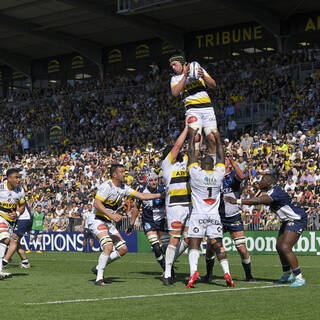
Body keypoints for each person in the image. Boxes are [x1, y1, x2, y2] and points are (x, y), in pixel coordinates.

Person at [225, 174, 308, 287]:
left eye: (263, 179)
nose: (260, 181)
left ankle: (299, 277)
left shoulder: (275, 192)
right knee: (279, 247)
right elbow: (259, 196)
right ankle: (287, 274)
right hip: (287, 220)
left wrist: (237, 201)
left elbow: (258, 201)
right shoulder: (270, 191)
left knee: (285, 247)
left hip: (297, 218)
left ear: (269, 182)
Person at [89, 164, 164, 286]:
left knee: (123, 249)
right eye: (122, 172)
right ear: (114, 175)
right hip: (97, 219)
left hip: (107, 222)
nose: (125, 174)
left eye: (125, 171)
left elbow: (142, 196)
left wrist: (160, 195)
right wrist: (112, 216)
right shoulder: (107, 186)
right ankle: (99, 278)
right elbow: (96, 204)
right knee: (108, 246)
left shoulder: (123, 187)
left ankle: (98, 267)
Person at [186, 128, 234, 288]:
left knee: (194, 244)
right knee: (218, 244)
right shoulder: (219, 174)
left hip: (198, 215)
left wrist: (192, 137)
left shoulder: (195, 173)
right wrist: (218, 140)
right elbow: (221, 155)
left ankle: (193, 273)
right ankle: (227, 272)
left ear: (201, 164)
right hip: (214, 216)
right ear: (214, 165)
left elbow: (191, 153)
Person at [204, 152, 255, 282]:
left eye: (226, 159)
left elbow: (242, 176)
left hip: (233, 216)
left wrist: (233, 161)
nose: (224, 160)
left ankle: (249, 276)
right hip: (217, 217)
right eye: (223, 159)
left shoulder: (232, 175)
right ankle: (209, 274)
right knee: (211, 247)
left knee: (242, 249)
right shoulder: (214, 177)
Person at [161, 122, 191, 285]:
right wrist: (186, 128)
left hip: (189, 205)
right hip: (175, 206)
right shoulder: (167, 164)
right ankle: (167, 273)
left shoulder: (185, 161)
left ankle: (169, 263)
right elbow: (178, 145)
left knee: (188, 239)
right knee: (174, 239)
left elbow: (194, 151)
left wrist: (196, 134)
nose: (180, 151)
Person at [169, 55, 217, 156]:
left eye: (174, 64)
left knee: (212, 138)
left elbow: (213, 85)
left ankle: (215, 161)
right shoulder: (175, 78)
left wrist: (203, 76)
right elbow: (175, 93)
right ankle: (193, 165)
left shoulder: (197, 68)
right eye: (171, 66)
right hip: (192, 110)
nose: (173, 67)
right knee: (195, 138)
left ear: (182, 63)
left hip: (207, 108)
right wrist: (185, 76)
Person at [126, 172, 169, 272]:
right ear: (147, 181)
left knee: (167, 246)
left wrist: (168, 218)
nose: (153, 182)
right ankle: (166, 270)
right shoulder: (142, 191)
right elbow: (136, 208)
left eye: (155, 180)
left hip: (162, 221)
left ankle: (161, 258)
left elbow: (168, 205)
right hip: (148, 221)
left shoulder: (163, 190)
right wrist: (131, 224)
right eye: (151, 180)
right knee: (156, 247)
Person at [0, 168, 25, 279]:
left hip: (10, 221)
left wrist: (18, 214)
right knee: (5, 239)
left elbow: (22, 206)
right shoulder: (1, 188)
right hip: (1, 217)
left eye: (19, 177)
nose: (19, 179)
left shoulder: (20, 191)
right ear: (9, 178)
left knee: (6, 242)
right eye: (16, 177)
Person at [2, 203, 33, 269]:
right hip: (23, 219)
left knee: (13, 241)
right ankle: (25, 262)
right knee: (16, 241)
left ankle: (4, 262)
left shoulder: (16, 194)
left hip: (23, 219)